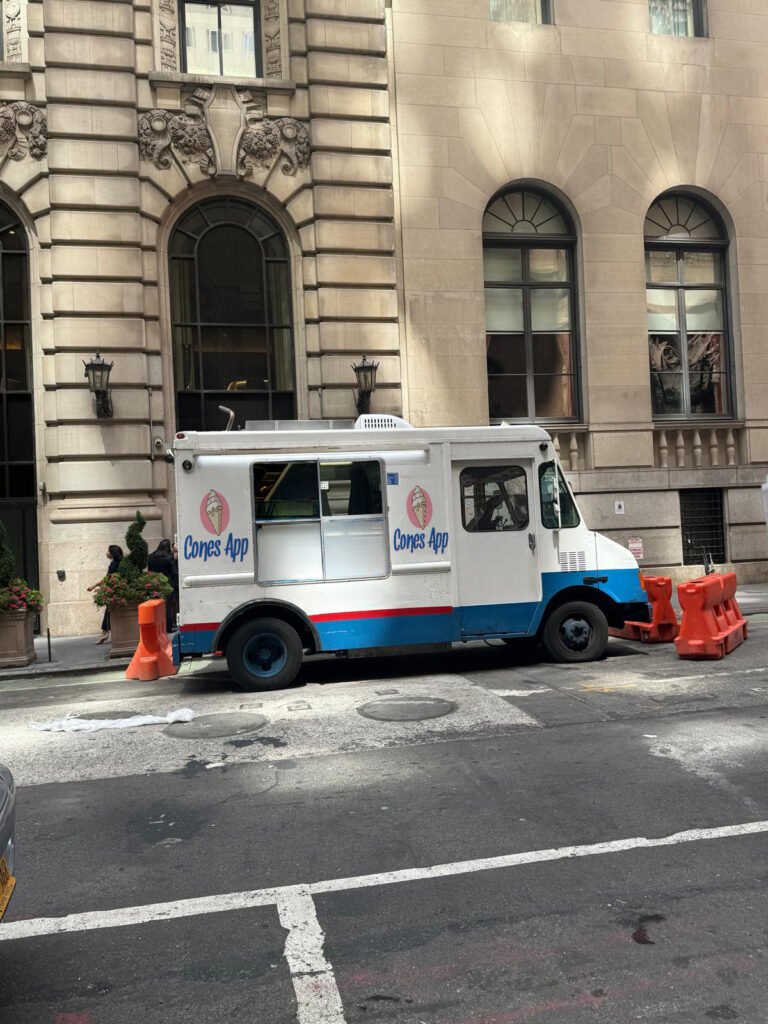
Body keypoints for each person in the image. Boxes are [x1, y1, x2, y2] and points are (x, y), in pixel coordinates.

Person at [88, 544, 123, 644]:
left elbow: (107, 579)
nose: (106, 553)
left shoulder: (114, 564)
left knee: (109, 610)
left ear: (112, 553)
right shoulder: (121, 562)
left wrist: (94, 585)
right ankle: (104, 632)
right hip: (121, 589)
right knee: (109, 611)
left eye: (108, 551)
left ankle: (104, 632)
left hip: (115, 590)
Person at [148, 539, 179, 631]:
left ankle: (158, 627)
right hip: (168, 584)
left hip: (155, 584)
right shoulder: (169, 558)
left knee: (157, 606)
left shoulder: (151, 557)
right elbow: (175, 573)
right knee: (168, 607)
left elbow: (149, 571)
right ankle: (168, 627)